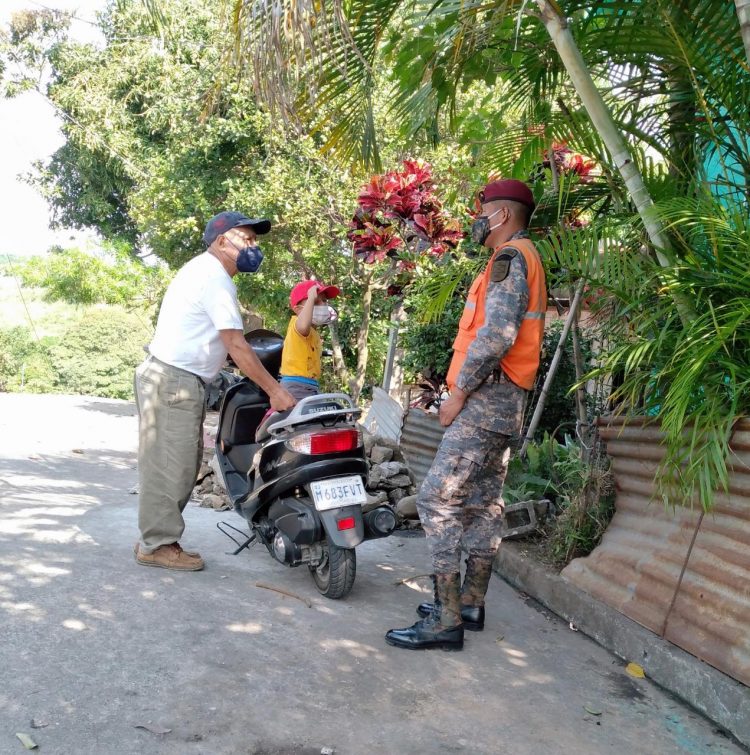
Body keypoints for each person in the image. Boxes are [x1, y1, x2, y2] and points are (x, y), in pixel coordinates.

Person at [385, 179, 546, 650]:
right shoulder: (525, 257)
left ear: (503, 215)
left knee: (437, 499)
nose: (477, 222)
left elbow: (496, 336)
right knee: (480, 503)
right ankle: (471, 603)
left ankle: (447, 619)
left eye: (483, 212)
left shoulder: (510, 258)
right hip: (504, 403)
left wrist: (456, 394)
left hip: (485, 399)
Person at [133, 211, 296, 571]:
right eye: (246, 239)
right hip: (173, 381)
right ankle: (157, 545)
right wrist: (275, 391)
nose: (253, 247)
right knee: (171, 466)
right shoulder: (215, 279)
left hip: (174, 378)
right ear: (223, 241)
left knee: (176, 462)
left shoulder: (205, 272)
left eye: (255, 240)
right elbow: (235, 343)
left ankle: (155, 538)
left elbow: (217, 342)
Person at [279, 280, 341, 401]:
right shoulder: (297, 325)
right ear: (298, 310)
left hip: (310, 386)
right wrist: (311, 297)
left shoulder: (314, 332)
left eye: (324, 301)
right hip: (296, 387)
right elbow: (303, 326)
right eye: (316, 302)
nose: (323, 306)